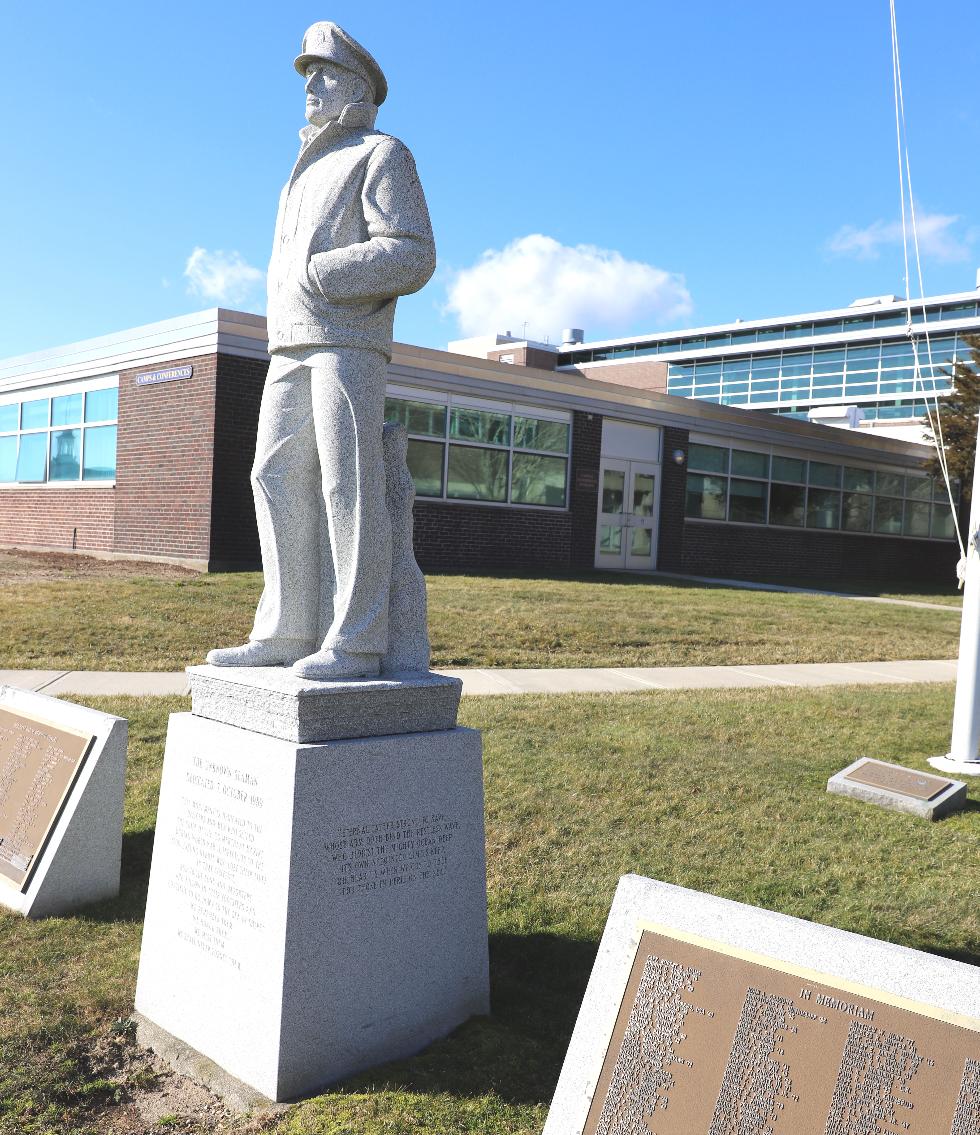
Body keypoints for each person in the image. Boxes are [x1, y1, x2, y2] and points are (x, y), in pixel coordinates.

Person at [207, 22, 435, 681]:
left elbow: (414, 252)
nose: (310, 83)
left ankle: (358, 639)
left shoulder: (382, 154)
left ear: (357, 87)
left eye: (325, 73)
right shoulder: (303, 167)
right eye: (308, 73)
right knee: (272, 476)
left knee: (349, 481)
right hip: (291, 344)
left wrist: (330, 274)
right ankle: (285, 630)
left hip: (348, 342)